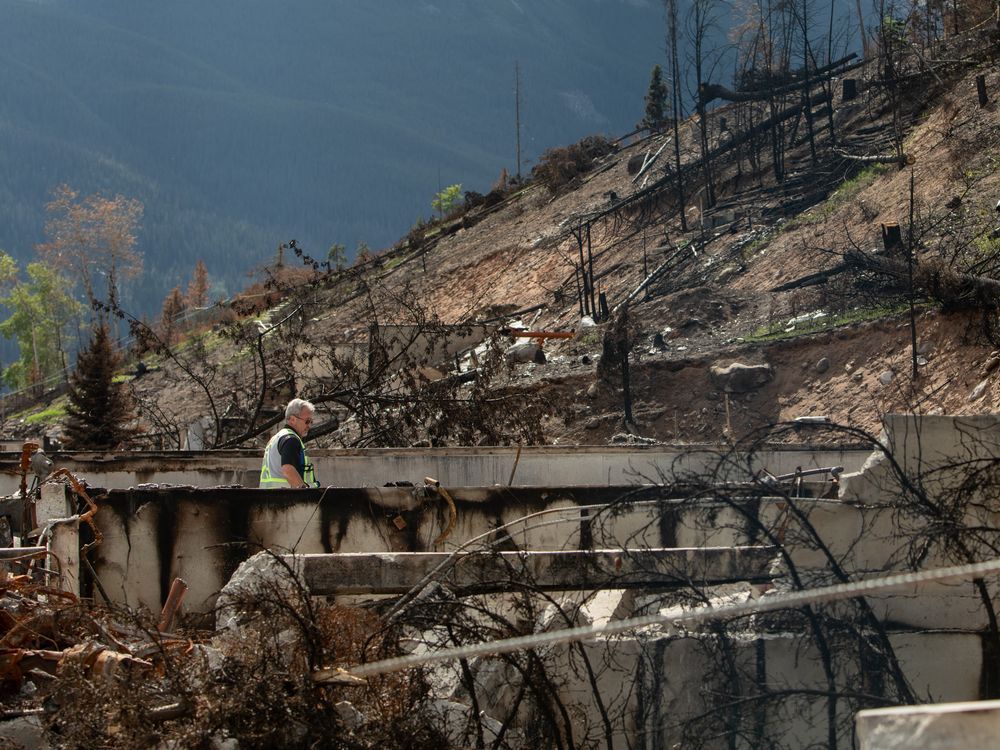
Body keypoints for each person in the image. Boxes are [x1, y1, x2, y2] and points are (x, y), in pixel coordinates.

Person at [259, 398, 319, 488]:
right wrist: (305, 496)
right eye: (307, 421)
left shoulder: (277, 438)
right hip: (287, 499)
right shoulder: (291, 439)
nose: (309, 426)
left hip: (271, 498)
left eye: (311, 422)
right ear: (292, 419)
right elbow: (288, 470)